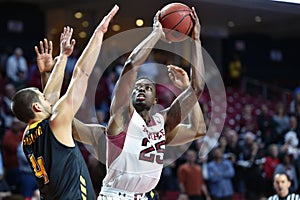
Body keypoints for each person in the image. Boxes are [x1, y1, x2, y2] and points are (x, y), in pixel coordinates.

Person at [10, 5, 119, 199]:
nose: (47, 96)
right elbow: (82, 74)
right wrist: (99, 34)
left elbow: (50, 100)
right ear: (36, 107)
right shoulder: (56, 123)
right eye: (41, 97)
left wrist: (58, 62)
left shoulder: (28, 135)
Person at [98, 6, 206, 200]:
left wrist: (196, 41)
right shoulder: (122, 117)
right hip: (116, 195)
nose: (141, 89)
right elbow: (131, 66)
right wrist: (156, 33)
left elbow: (197, 91)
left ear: (156, 100)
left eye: (147, 88)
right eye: (137, 87)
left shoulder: (161, 124)